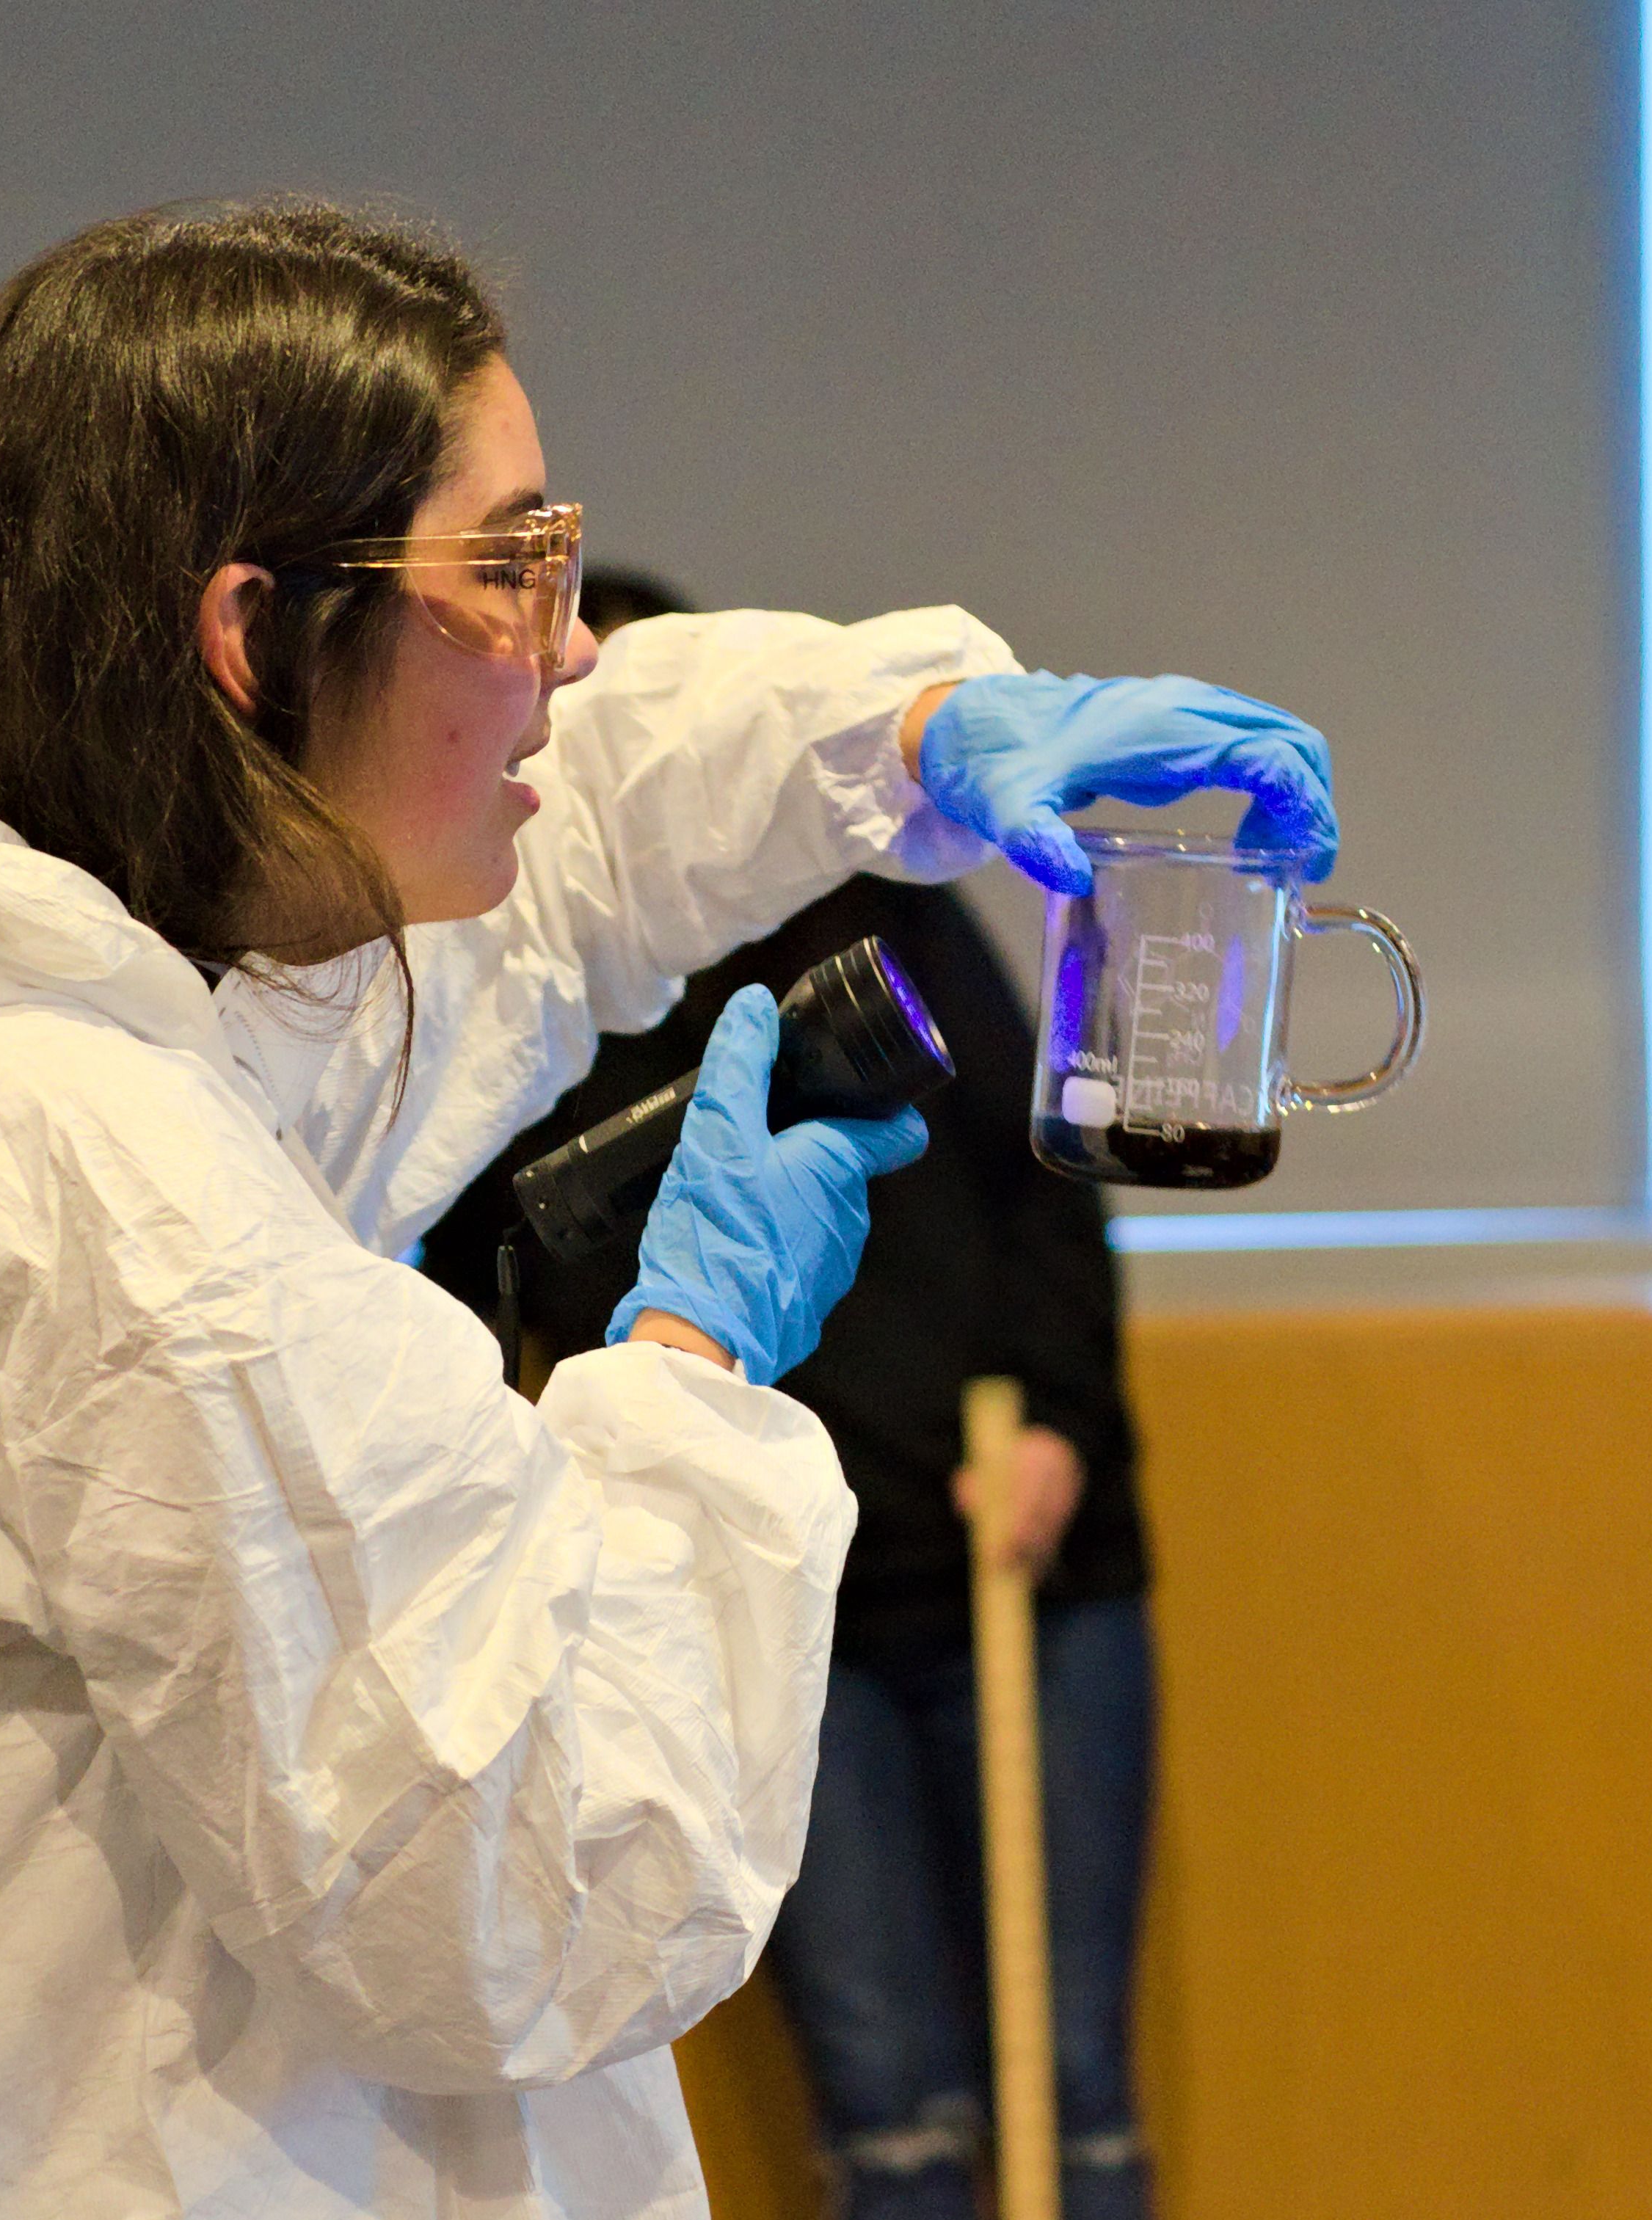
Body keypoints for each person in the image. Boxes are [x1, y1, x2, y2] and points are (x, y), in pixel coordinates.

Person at [0, 200, 1337, 2219]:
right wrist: (686, 1376)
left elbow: (564, 849)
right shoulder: (82, 1165)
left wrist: (912, 734)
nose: (573, 648)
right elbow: (524, 1895)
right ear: (248, 636)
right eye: (508, 572)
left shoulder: (40, 982)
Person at [425, 571, 1155, 2219]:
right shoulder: (504, 996)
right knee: (886, 2111)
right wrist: (682, 1349)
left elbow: (1046, 1175)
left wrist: (1054, 1419)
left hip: (1007, 1566)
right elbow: (495, 1295)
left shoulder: (865, 916)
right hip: (769, 1608)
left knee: (1074, 2095)